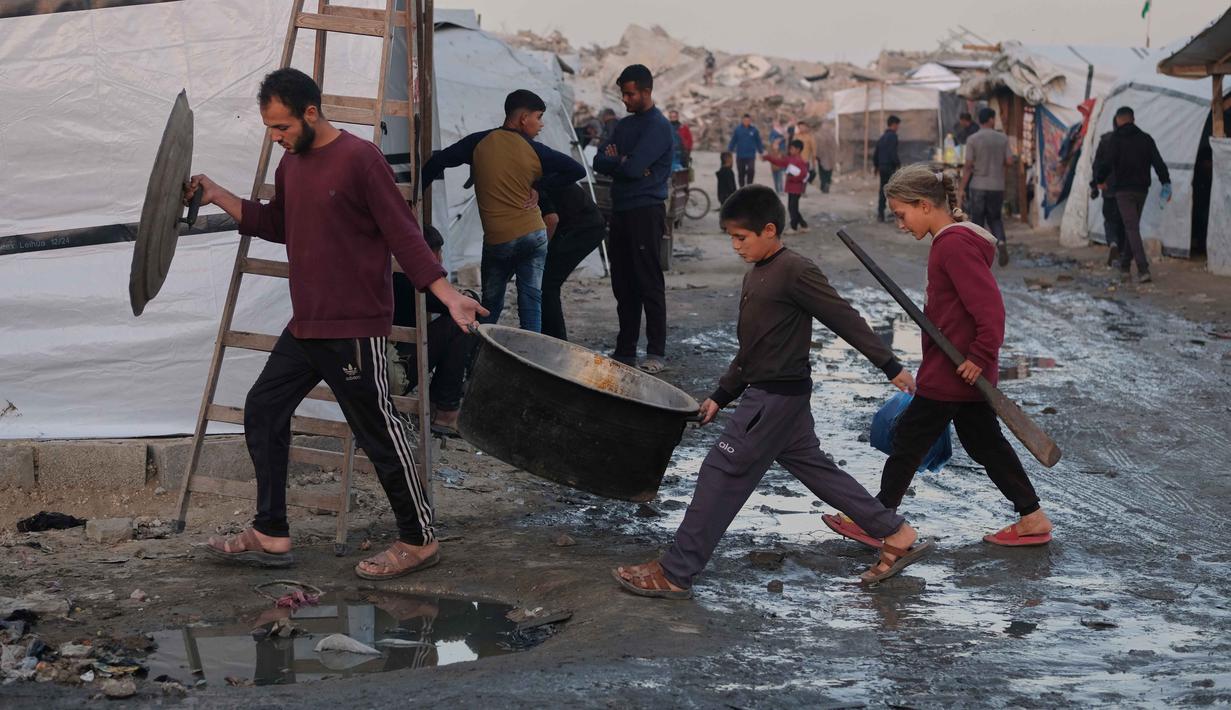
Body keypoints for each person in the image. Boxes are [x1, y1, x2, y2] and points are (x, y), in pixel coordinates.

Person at [190, 68, 486, 579]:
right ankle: (271, 531)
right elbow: (277, 225)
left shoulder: (359, 159)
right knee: (263, 407)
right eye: (270, 130)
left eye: (281, 128)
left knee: (380, 431)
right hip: (307, 323)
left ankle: (419, 540)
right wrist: (219, 194)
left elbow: (403, 234)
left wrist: (446, 292)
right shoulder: (291, 167)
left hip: (351, 325)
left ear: (311, 112)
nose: (276, 139)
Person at [611, 185, 932, 599]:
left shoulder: (795, 270)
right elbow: (752, 349)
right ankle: (897, 532)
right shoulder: (755, 275)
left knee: (719, 473)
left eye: (741, 237)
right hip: (780, 401)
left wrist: (890, 365)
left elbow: (843, 317)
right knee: (818, 470)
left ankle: (676, 572)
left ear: (768, 230)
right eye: (730, 237)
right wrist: (721, 396)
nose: (735, 246)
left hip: (774, 400)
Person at [825, 164, 1053, 550]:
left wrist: (979, 356)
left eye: (902, 214)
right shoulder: (951, 242)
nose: (900, 224)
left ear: (925, 205)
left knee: (910, 441)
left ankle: (879, 519)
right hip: (958, 372)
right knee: (985, 444)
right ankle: (1032, 517)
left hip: (955, 372)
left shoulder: (953, 244)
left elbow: (991, 310)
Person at [422, 89, 586, 333]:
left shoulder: (478, 142)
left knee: (490, 307)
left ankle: (478, 360)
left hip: (498, 240)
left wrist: (412, 200)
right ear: (523, 119)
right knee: (531, 304)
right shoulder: (537, 152)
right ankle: (530, 363)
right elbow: (576, 171)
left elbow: (438, 161)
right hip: (533, 235)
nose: (541, 124)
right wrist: (538, 185)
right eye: (539, 117)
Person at [592, 64, 675, 374]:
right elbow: (601, 160)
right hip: (622, 210)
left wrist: (622, 162)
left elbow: (628, 166)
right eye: (623, 94)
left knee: (648, 280)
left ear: (646, 92)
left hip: (646, 211)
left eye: (630, 93)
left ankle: (656, 352)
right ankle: (625, 350)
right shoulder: (623, 126)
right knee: (623, 282)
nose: (625, 99)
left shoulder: (658, 127)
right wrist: (621, 162)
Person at [390, 225, 476, 438]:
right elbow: (472, 304)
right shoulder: (410, 281)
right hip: (390, 374)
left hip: (369, 369)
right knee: (459, 325)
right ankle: (445, 410)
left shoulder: (393, 274)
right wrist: (458, 293)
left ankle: (442, 402)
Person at [1093, 106, 1171, 283]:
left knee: (1131, 227)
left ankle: (1143, 269)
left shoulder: (1115, 140)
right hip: (1142, 190)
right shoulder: (1146, 139)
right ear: (1133, 119)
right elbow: (1158, 162)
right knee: (1132, 226)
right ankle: (1125, 266)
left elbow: (1106, 164)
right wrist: (1166, 181)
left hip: (1123, 191)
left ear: (1118, 120)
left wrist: (1099, 179)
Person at [539, 181, 607, 341]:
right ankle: (549, 335)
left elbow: (551, 219)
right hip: (578, 224)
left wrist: (542, 249)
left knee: (547, 283)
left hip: (582, 227)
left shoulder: (533, 180)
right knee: (545, 282)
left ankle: (555, 339)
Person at [958, 107, 1014, 266]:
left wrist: (961, 188)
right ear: (990, 119)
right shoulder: (1002, 138)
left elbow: (968, 165)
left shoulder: (973, 139)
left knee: (978, 220)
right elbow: (1009, 161)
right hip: (997, 185)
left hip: (978, 185)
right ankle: (1001, 243)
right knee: (995, 218)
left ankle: (979, 253)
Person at [1090, 130, 1126, 267]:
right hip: (1125, 189)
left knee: (1110, 221)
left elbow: (1097, 165)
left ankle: (1113, 243)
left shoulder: (1105, 140)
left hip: (1108, 188)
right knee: (1123, 222)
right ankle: (1122, 255)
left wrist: (1096, 183)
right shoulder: (1132, 139)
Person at [761, 139, 809, 232]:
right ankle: (803, 225)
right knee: (793, 207)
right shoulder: (790, 159)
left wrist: (792, 178)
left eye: (792, 148)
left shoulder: (800, 161)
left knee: (792, 208)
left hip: (796, 188)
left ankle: (793, 227)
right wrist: (768, 158)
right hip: (791, 188)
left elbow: (803, 174)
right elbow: (779, 162)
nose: (790, 150)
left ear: (798, 149)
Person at [872, 115, 901, 222]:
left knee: (882, 190)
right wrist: (898, 164)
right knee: (894, 191)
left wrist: (876, 167)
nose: (898, 127)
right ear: (893, 125)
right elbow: (893, 153)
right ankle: (895, 212)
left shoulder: (882, 137)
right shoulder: (893, 137)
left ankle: (880, 214)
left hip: (882, 167)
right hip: (890, 167)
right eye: (897, 125)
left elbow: (876, 153)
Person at [727, 114, 764, 187]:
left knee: (751, 170)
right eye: (745, 120)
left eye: (748, 120)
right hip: (740, 155)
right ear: (742, 120)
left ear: (750, 121)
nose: (746, 122)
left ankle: (749, 186)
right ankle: (742, 187)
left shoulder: (754, 130)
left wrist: (761, 152)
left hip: (750, 155)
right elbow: (733, 140)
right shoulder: (738, 130)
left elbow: (758, 141)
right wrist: (729, 150)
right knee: (741, 172)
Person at [816, 121, 837, 194]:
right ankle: (827, 184)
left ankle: (823, 185)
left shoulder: (818, 135)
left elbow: (817, 147)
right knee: (829, 172)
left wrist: (816, 155)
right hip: (829, 157)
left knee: (822, 172)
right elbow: (835, 146)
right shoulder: (831, 136)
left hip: (822, 157)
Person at [767, 120, 787, 193]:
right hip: (774, 152)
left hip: (781, 152)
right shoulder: (773, 131)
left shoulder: (782, 130)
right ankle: (778, 189)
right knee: (776, 173)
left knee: (779, 172)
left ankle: (780, 189)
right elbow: (771, 140)